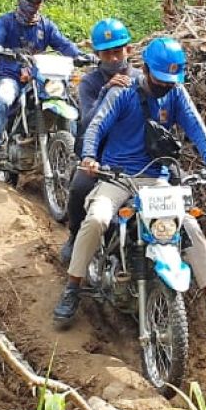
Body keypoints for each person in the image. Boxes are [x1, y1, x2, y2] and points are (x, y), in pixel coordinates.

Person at [53, 36, 206, 330]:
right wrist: (90, 157)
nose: (167, 84)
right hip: (117, 176)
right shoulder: (121, 93)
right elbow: (96, 125)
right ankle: (72, 287)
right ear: (145, 69)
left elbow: (196, 126)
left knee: (190, 226)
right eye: (162, 78)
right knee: (96, 219)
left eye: (172, 79)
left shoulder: (176, 93)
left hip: (156, 178)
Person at [0, 0, 88, 169]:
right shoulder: (5, 22)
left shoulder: (46, 26)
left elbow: (63, 45)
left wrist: (79, 55)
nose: (34, 4)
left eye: (39, 0)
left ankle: (76, 152)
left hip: (40, 79)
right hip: (12, 75)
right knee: (3, 99)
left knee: (70, 102)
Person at [58, 17, 141, 266]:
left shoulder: (141, 78)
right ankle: (74, 236)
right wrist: (106, 91)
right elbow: (87, 122)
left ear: (129, 50)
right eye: (107, 54)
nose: (114, 59)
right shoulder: (90, 83)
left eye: (118, 52)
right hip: (99, 153)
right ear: (97, 55)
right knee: (79, 187)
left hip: (135, 154)